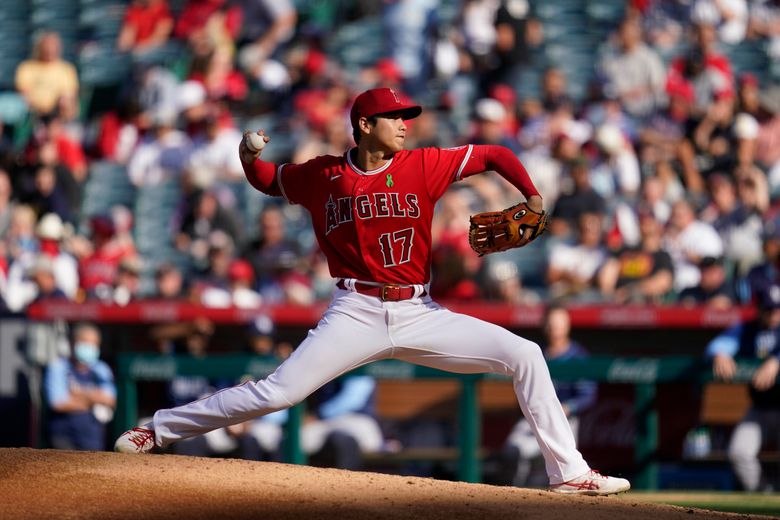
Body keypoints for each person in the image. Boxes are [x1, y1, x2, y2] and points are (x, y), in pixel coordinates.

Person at [115, 87, 630, 495]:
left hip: (420, 310)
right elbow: (270, 181)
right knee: (278, 393)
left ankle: (569, 473)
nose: (406, 124)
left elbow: (494, 152)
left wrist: (534, 196)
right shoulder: (325, 174)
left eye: (407, 116)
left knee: (525, 353)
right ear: (365, 125)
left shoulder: (422, 164)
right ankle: (156, 430)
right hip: (355, 310)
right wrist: (249, 158)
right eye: (395, 116)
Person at [498, 305, 597, 487]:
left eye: (559, 323)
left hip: (564, 419)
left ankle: (541, 505)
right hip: (534, 417)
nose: (554, 328)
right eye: (550, 323)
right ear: (544, 325)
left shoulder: (578, 356)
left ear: (567, 326)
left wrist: (567, 407)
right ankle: (511, 498)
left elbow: (588, 395)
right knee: (512, 452)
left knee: (540, 460)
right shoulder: (537, 353)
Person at [706, 284, 780, 492]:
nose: (774, 314)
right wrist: (720, 353)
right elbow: (717, 344)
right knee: (739, 452)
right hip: (759, 408)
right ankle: (762, 494)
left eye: (777, 309)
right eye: (769, 309)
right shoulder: (748, 328)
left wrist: (776, 361)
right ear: (759, 309)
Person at [44, 324, 116, 450]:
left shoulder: (101, 369)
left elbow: (110, 399)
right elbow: (58, 403)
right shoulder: (58, 367)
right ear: (72, 343)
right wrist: (93, 400)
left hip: (93, 440)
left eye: (93, 344)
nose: (89, 347)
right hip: (63, 439)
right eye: (84, 342)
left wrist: (77, 394)